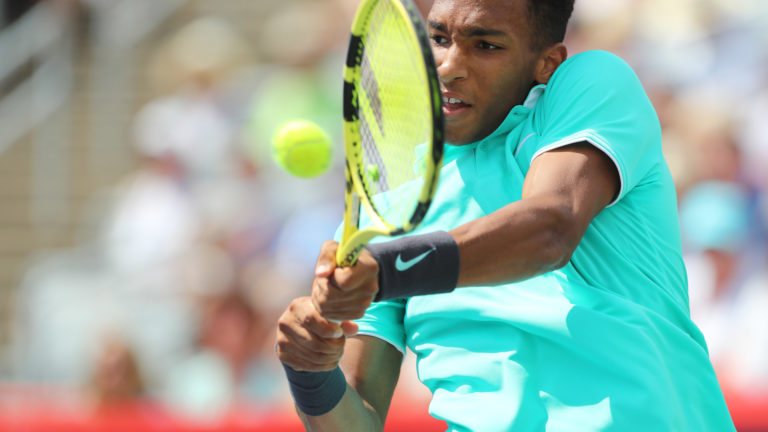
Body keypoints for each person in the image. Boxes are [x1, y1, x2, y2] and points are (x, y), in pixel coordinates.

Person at [275, 0, 736, 430]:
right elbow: (360, 417)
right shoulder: (392, 214)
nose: (449, 67)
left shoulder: (595, 82)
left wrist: (388, 271)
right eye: (439, 39)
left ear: (547, 63)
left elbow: (549, 228)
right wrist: (309, 368)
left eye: (486, 45)